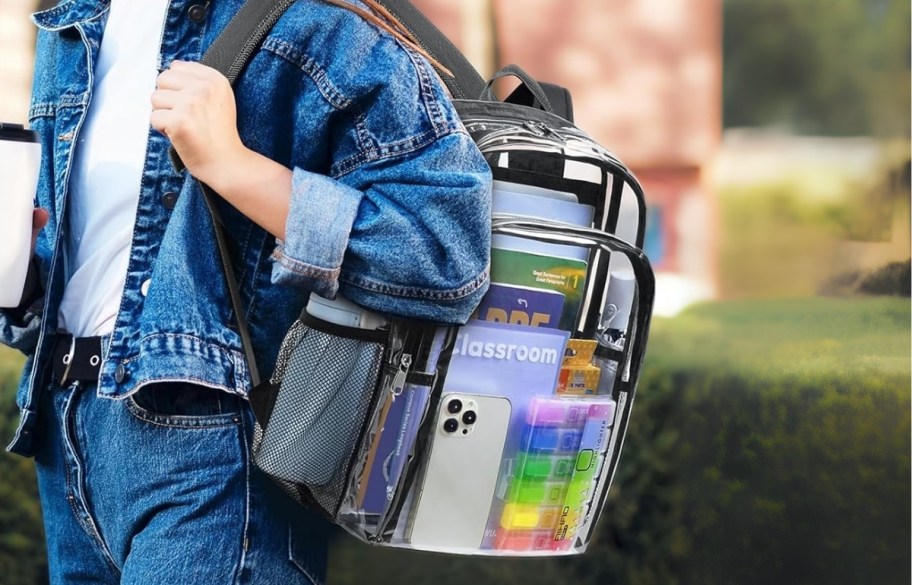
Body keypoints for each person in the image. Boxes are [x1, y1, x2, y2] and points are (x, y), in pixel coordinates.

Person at [1, 0, 492, 583]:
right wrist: (22, 274)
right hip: (64, 429)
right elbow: (94, 276)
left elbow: (444, 253)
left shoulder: (314, 25)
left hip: (212, 450)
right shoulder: (71, 26)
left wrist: (231, 165)